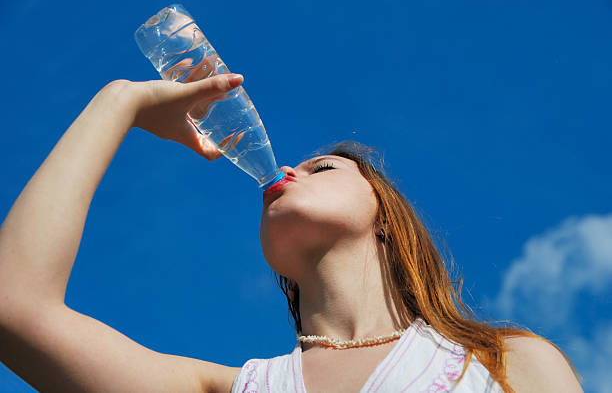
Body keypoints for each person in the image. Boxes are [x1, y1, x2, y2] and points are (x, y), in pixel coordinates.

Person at [0, 74, 583, 392]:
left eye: (320, 168)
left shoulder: (502, 363)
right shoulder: (233, 387)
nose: (283, 172)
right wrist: (119, 102)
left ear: (387, 218)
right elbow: (14, 307)